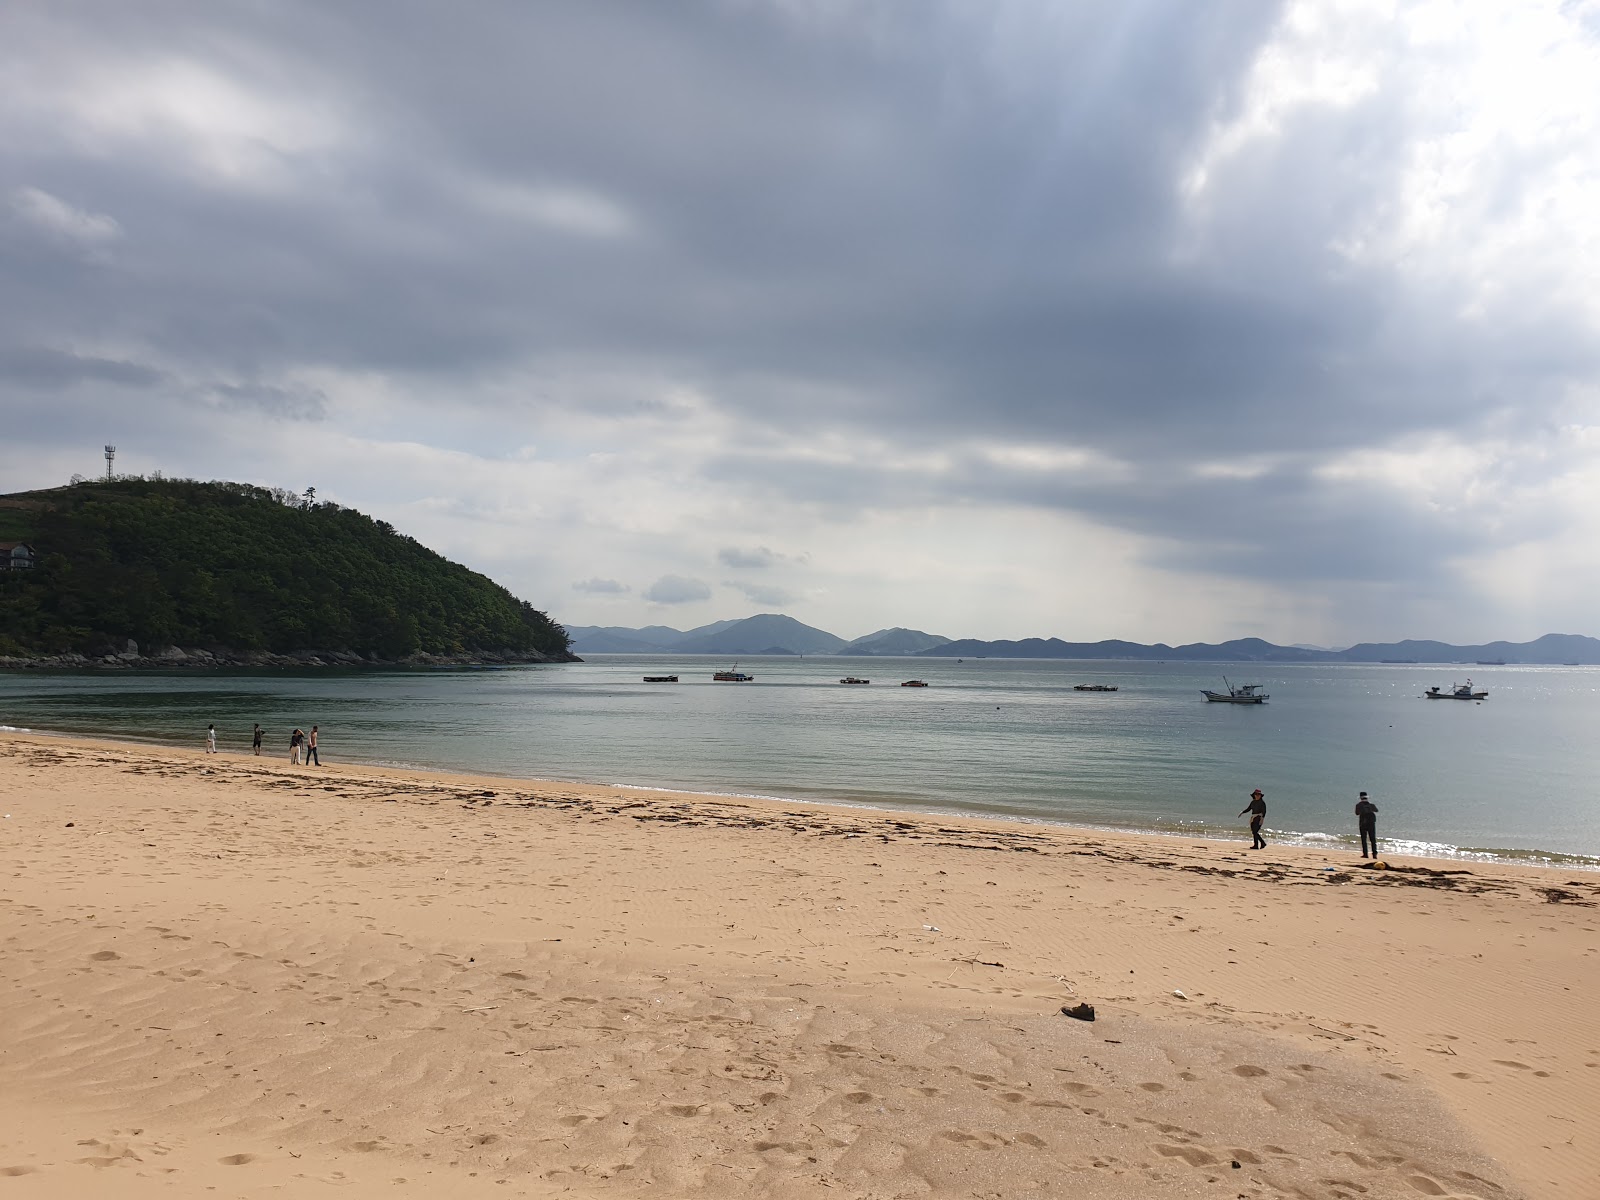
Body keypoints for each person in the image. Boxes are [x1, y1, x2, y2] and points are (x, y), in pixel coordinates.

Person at [1355, 791, 1380, 859]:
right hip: (1371, 823)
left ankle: (1365, 854)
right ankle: (1374, 854)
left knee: (1364, 839)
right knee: (1372, 839)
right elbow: (1376, 810)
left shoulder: (1358, 805)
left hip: (1363, 823)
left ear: (1360, 798)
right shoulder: (1371, 805)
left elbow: (1357, 813)